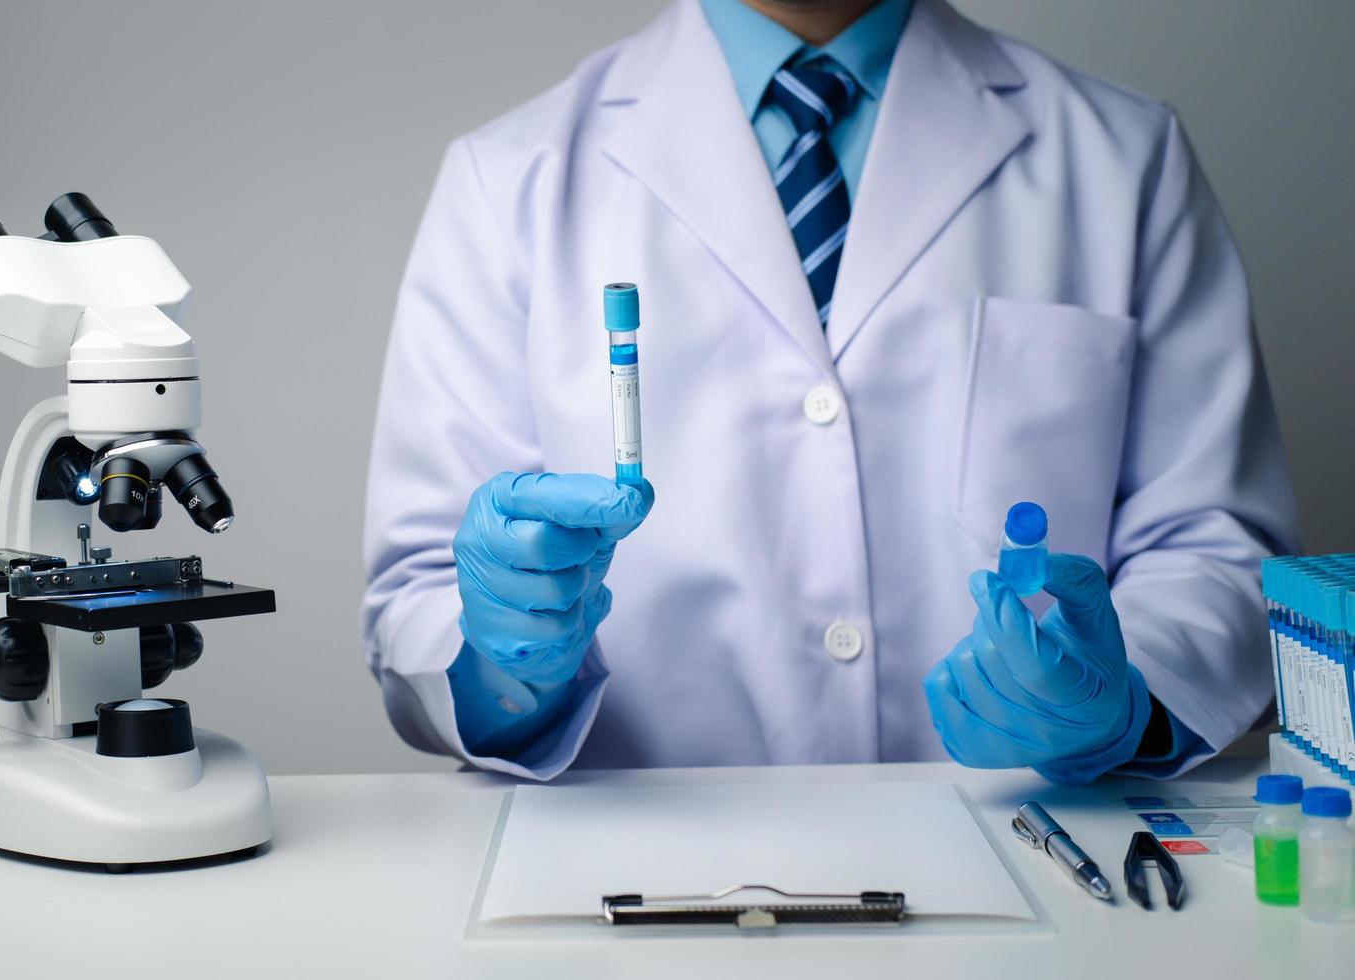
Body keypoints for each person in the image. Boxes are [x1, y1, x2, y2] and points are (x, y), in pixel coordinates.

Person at [360, 0, 1298, 782]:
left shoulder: (1123, 157)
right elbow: (420, 597)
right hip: (642, 882)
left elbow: (1214, 547)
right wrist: (504, 667)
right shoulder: (507, 178)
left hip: (1031, 858)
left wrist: (1128, 702)